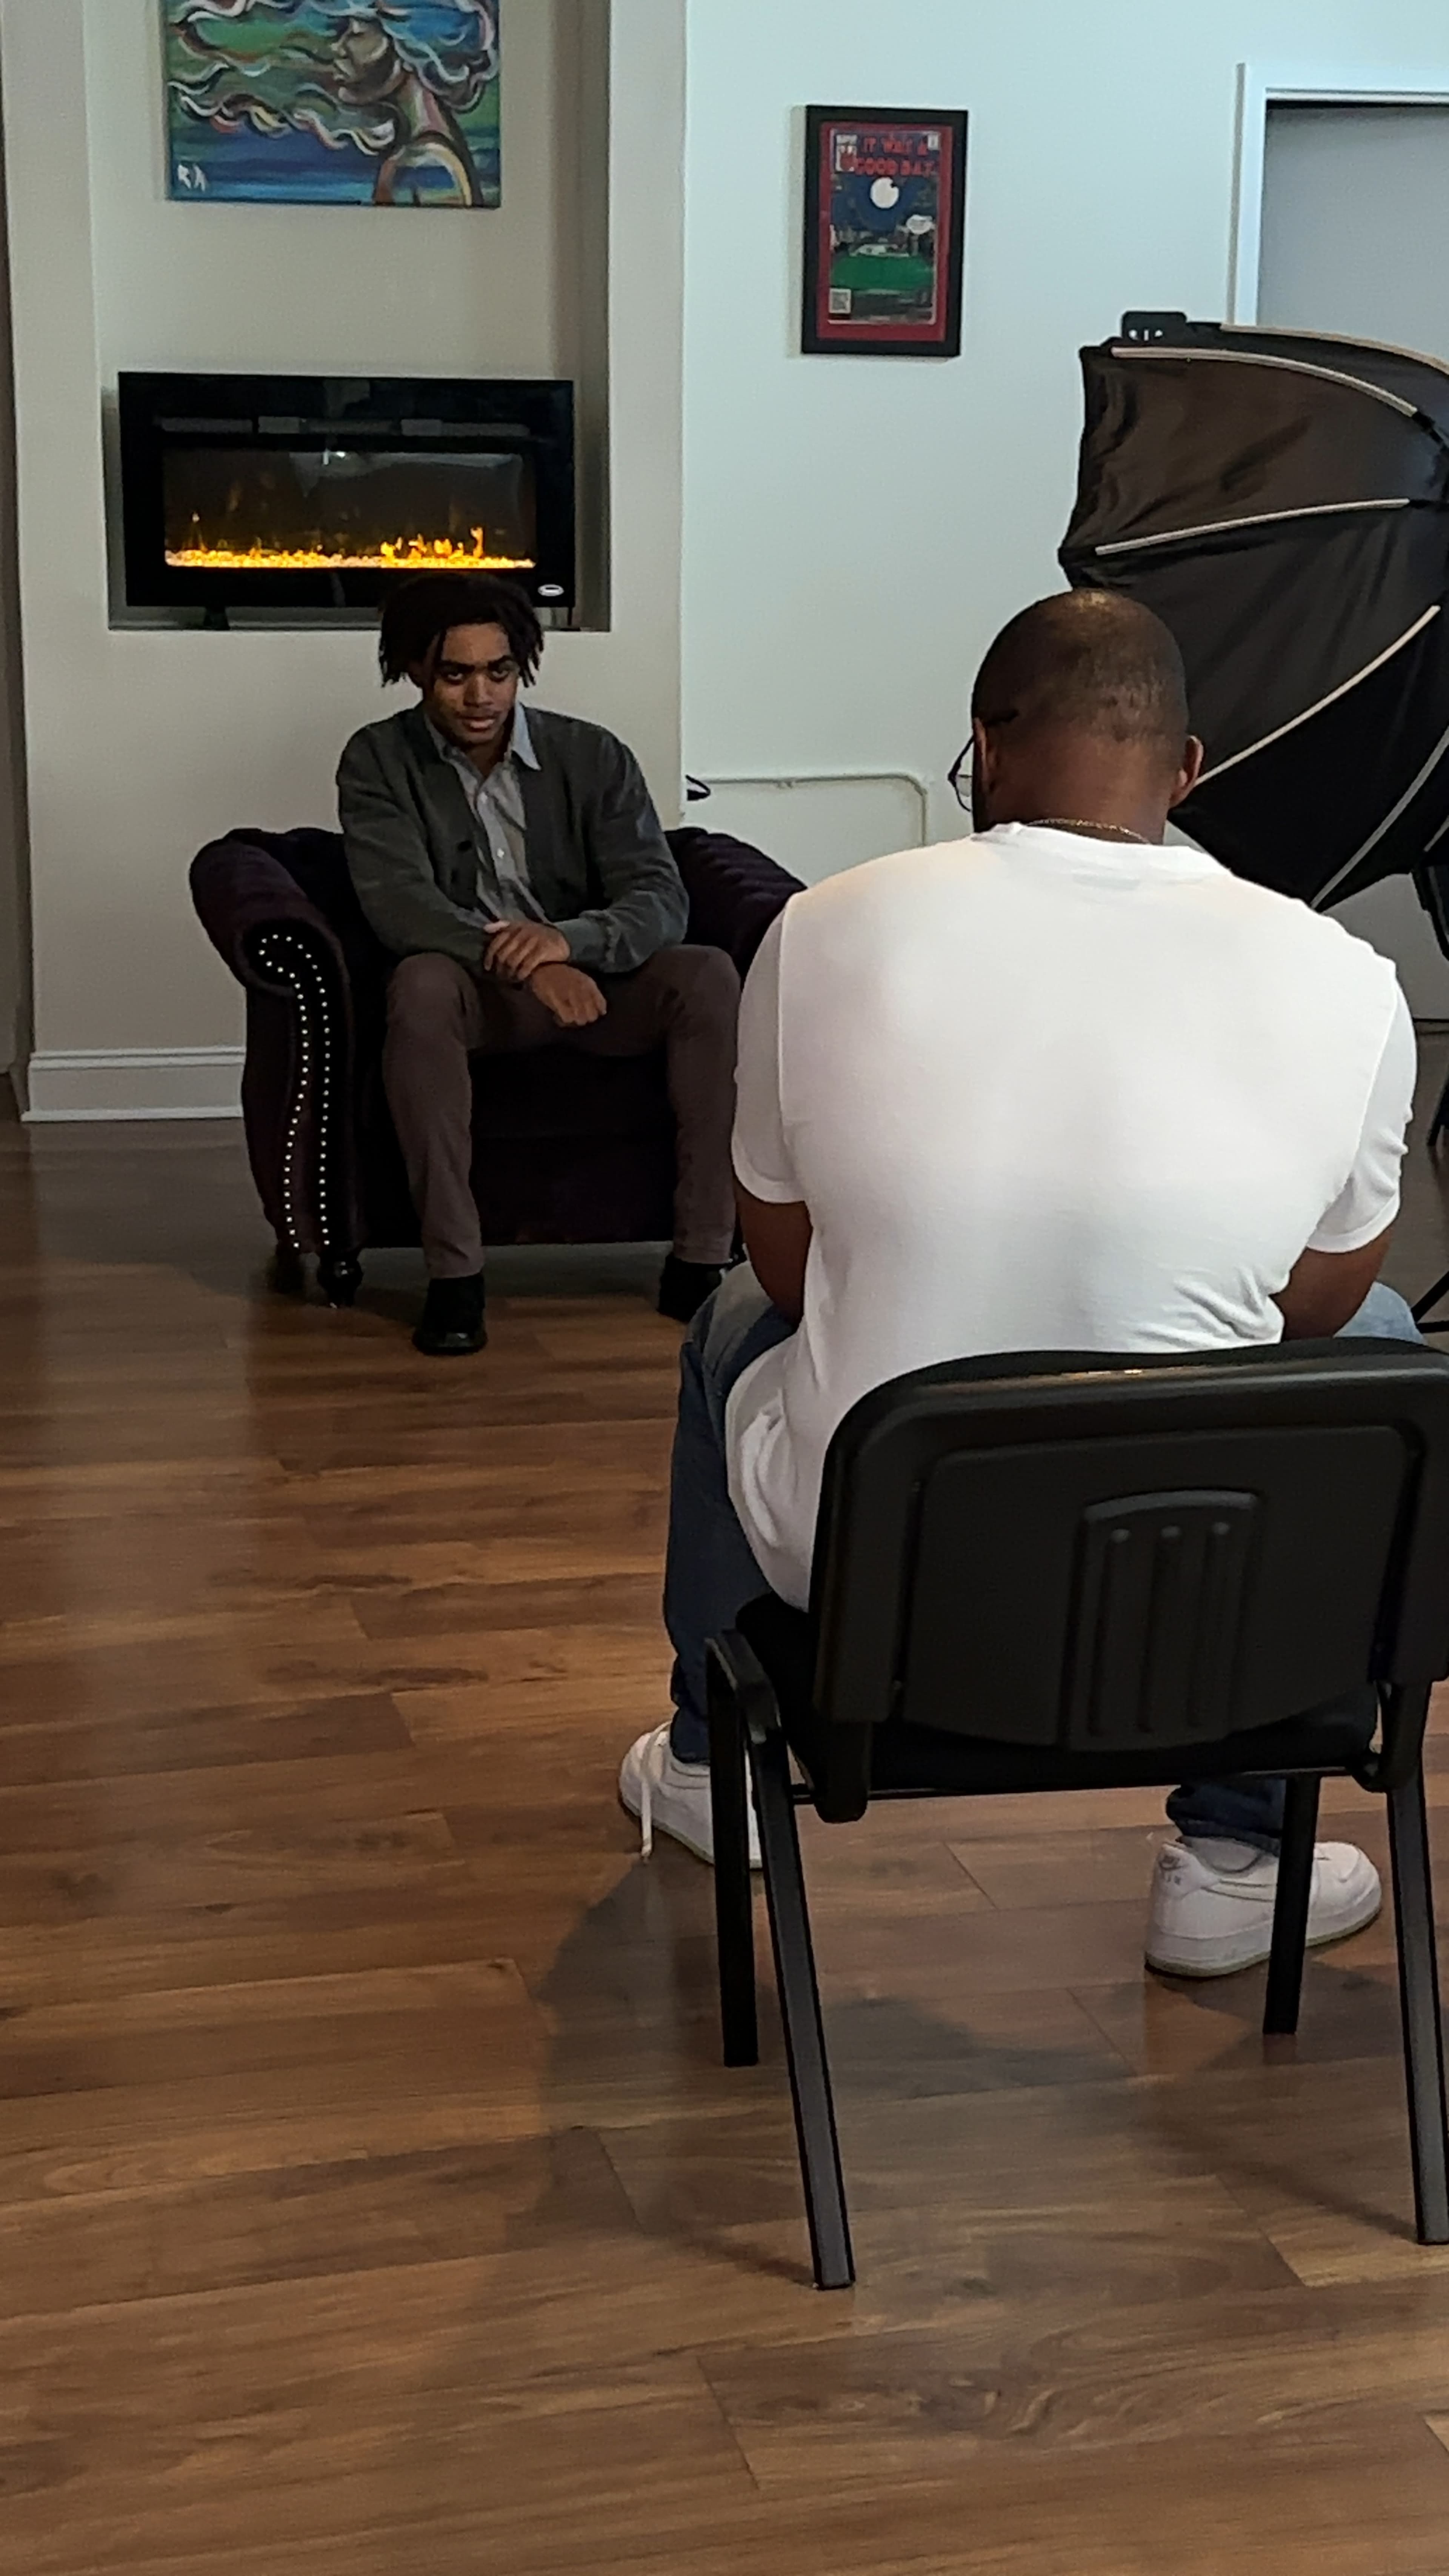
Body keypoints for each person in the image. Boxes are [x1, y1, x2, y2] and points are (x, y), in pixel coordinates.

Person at [621, 589, 1421, 1981]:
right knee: (1390, 1347)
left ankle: (710, 1761)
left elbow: (791, 1265)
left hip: (889, 1577)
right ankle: (1239, 1852)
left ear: (982, 749)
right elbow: (1321, 1301)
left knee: (728, 1326)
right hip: (1202, 1599)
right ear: (1189, 768)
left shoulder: (822, 929)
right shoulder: (1349, 976)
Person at [337, 574, 739, 1354]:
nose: (481, 696)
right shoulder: (377, 761)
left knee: (707, 975)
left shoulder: (592, 755)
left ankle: (701, 1260)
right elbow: (401, 906)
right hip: (480, 996)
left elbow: (659, 897)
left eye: (500, 671)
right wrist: (527, 965)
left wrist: (569, 943)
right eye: (456, 675)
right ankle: (455, 1279)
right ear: (417, 670)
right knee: (417, 985)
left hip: (598, 988)